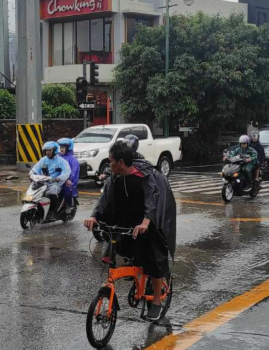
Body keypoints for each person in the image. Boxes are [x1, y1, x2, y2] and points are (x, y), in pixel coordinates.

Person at [84, 141, 176, 321]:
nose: (108, 164)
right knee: (116, 241)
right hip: (129, 218)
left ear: (120, 162)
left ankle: (156, 301)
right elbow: (105, 198)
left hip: (149, 220)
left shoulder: (145, 175)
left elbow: (152, 199)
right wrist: (94, 216)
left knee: (155, 257)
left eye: (110, 161)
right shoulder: (115, 177)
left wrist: (146, 222)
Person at [31, 141, 71, 213]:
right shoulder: (43, 160)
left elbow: (66, 171)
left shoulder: (61, 161)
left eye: (49, 150)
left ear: (54, 150)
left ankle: (53, 211)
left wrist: (59, 178)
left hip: (55, 183)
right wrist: (31, 174)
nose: (47, 152)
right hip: (44, 182)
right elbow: (35, 169)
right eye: (46, 150)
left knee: (52, 192)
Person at [58, 137, 80, 208]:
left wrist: (70, 179)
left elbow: (74, 171)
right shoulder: (57, 157)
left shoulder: (72, 159)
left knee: (66, 189)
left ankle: (68, 206)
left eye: (63, 147)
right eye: (60, 147)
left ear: (68, 148)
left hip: (67, 181)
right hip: (56, 179)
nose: (61, 148)